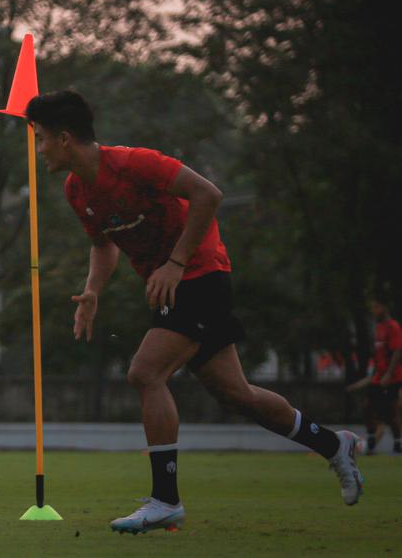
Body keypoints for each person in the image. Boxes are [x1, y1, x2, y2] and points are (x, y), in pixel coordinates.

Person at [25, 90, 363, 534]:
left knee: (145, 373)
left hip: (201, 275)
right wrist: (92, 292)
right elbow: (102, 244)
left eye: (41, 138)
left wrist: (176, 262)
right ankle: (332, 443)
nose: (38, 148)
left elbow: (208, 194)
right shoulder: (76, 190)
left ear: (65, 138)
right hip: (174, 285)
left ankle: (165, 500)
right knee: (236, 394)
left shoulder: (133, 163)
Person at [347, 298, 402, 454]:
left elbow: (397, 350)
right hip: (378, 376)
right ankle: (371, 441)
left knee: (392, 412)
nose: (374, 311)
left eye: (377, 307)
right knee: (368, 407)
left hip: (392, 377)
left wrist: (389, 374)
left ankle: (398, 444)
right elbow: (378, 355)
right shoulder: (379, 327)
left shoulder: (393, 326)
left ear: (385, 307)